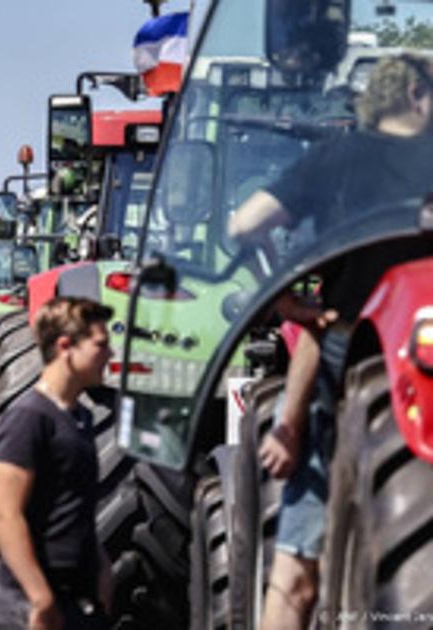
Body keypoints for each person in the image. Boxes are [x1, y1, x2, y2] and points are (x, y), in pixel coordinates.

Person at [228, 54, 433, 630]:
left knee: (293, 580)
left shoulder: (336, 158)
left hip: (355, 366)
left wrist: (287, 302)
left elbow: (244, 225)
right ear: (415, 93)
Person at [0, 297, 114, 629]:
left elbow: (74, 505)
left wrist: (101, 565)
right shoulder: (29, 418)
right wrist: (40, 598)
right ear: (65, 347)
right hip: (30, 604)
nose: (110, 355)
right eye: (100, 345)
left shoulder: (80, 417)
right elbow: (5, 515)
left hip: (76, 597)